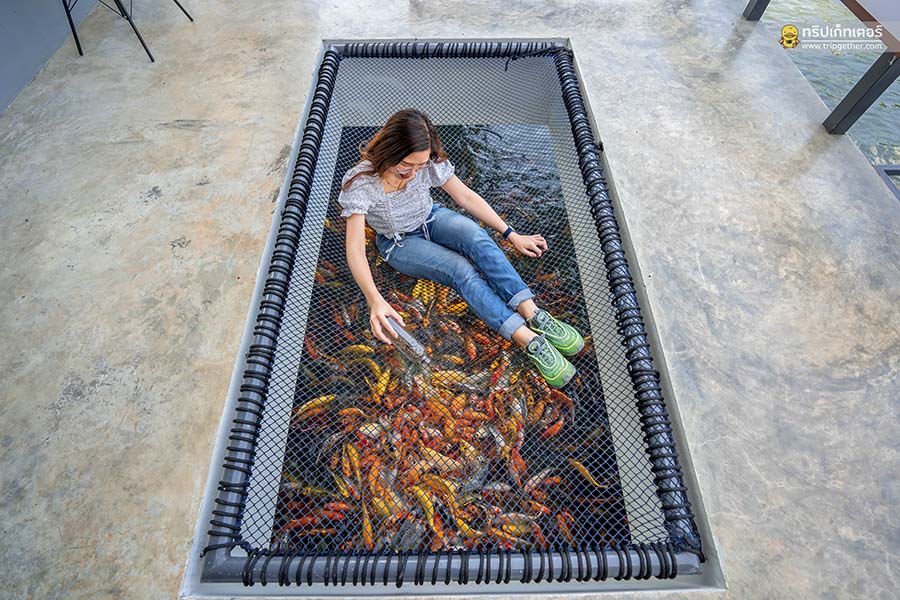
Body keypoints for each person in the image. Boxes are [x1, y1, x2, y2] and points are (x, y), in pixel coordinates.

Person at [337, 108, 584, 388]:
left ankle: (532, 313)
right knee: (459, 269)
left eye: (421, 165)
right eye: (406, 165)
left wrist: (512, 234)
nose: (414, 173)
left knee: (475, 235)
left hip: (431, 217)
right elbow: (355, 249)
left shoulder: (427, 163)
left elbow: (465, 196)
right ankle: (527, 339)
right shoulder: (360, 183)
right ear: (389, 151)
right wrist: (375, 300)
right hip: (399, 241)